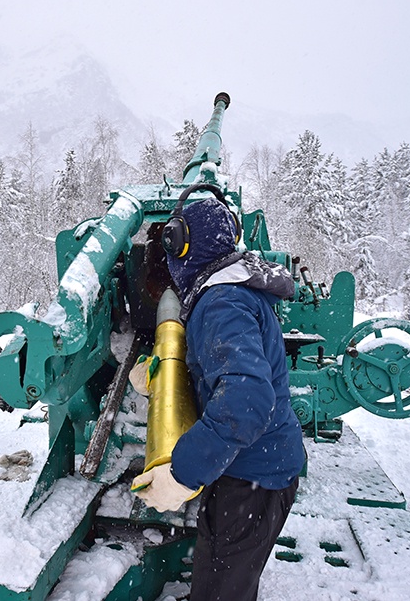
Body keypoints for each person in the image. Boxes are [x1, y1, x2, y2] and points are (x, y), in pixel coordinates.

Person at [131, 189, 305, 601]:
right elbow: (221, 373)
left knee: (221, 586)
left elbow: (245, 400)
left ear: (181, 245)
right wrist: (160, 376)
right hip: (252, 470)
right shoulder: (230, 293)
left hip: (254, 477)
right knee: (221, 570)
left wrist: (182, 473)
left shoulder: (221, 303)